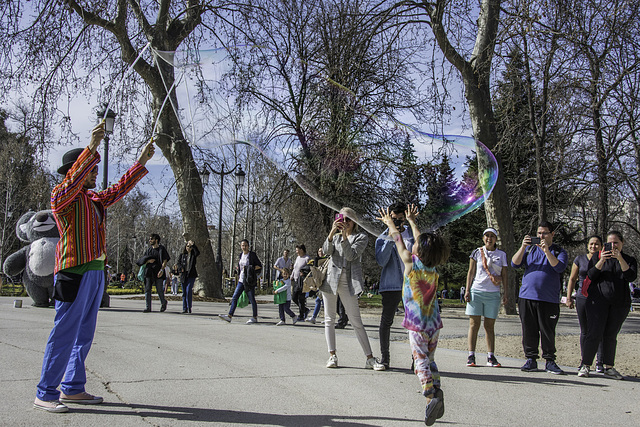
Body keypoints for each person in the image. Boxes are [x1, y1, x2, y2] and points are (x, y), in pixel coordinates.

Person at [34, 122, 152, 413]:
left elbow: (119, 189)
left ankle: (73, 388)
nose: (96, 174)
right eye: (91, 169)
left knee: (84, 333)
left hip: (95, 272)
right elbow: (72, 182)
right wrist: (93, 146)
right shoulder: (61, 197)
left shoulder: (94, 199)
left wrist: (142, 162)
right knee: (64, 332)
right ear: (76, 172)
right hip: (73, 271)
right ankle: (46, 392)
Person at [376, 204, 450, 426]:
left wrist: (391, 225)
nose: (413, 242)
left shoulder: (410, 263)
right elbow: (420, 241)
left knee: (420, 364)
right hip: (434, 325)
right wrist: (412, 222)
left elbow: (399, 241)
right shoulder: (432, 266)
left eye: (416, 243)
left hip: (417, 326)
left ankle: (430, 397)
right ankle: (436, 389)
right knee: (430, 360)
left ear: (418, 250)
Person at [320, 207, 377, 369]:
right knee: (329, 319)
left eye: (348, 220)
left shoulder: (361, 237)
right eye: (341, 219)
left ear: (354, 222)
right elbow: (325, 251)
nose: (344, 222)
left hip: (348, 281)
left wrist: (345, 237)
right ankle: (332, 355)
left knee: (355, 320)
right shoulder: (336, 236)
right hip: (331, 279)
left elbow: (351, 256)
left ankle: (369, 358)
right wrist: (331, 233)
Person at [578, 231, 637, 379]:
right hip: (598, 302)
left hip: (619, 304)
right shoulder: (598, 256)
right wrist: (602, 260)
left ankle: (609, 366)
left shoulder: (629, 259)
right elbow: (590, 275)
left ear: (622, 243)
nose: (613, 246)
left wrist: (620, 259)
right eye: (610, 243)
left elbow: (630, 276)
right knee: (594, 333)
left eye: (616, 243)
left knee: (611, 335)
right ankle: (585, 365)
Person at [511, 221, 568, 374]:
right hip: (527, 297)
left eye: (544, 233)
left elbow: (559, 267)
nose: (541, 236)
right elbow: (514, 263)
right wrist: (523, 247)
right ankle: (531, 359)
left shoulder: (558, 251)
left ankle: (550, 360)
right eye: (539, 233)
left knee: (547, 330)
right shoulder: (529, 250)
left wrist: (546, 251)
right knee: (529, 329)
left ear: (552, 234)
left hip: (548, 299)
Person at [374, 201, 415, 371]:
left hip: (411, 284)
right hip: (391, 285)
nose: (398, 222)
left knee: (414, 323)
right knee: (386, 321)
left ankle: (417, 359)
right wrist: (392, 235)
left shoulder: (412, 235)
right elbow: (381, 261)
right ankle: (385, 359)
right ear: (388, 217)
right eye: (394, 219)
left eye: (400, 219)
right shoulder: (382, 237)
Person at [464, 227, 508, 368]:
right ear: (483, 238)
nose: (489, 238)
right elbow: (471, 272)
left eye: (492, 236)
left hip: (493, 293)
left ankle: (491, 356)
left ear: (496, 239)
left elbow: (505, 275)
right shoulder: (477, 252)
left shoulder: (501, 255)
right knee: (473, 324)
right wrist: (467, 290)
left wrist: (505, 292)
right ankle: (471, 355)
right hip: (476, 291)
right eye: (486, 236)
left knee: (489, 326)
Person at [565, 235, 604, 372]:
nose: (594, 246)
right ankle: (584, 361)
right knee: (585, 330)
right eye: (591, 244)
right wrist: (569, 297)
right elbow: (572, 279)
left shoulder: (604, 259)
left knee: (598, 330)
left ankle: (600, 361)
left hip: (599, 298)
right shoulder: (580, 259)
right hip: (582, 297)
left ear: (601, 246)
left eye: (597, 244)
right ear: (587, 245)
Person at [219, 239, 262, 324]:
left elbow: (259, 266)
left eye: (245, 245)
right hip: (241, 280)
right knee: (235, 297)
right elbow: (240, 267)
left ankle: (254, 317)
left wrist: (250, 268)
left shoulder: (252, 255)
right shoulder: (241, 255)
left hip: (249, 281)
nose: (244, 247)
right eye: (242, 245)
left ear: (248, 246)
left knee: (251, 299)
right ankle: (229, 316)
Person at [137, 233, 170, 313]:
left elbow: (165, 260)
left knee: (159, 289)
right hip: (148, 272)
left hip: (158, 272)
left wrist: (162, 270)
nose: (150, 240)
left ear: (156, 240)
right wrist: (148, 261)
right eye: (150, 239)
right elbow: (143, 260)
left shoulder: (161, 249)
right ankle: (148, 307)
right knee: (147, 289)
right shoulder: (149, 250)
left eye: (151, 239)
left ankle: (163, 302)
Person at [177, 240, 200, 314]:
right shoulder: (182, 255)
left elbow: (197, 253)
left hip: (191, 275)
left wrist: (193, 245)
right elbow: (178, 263)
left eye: (190, 247)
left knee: (188, 290)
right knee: (184, 292)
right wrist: (181, 268)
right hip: (184, 275)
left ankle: (189, 307)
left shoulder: (193, 255)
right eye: (187, 246)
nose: (189, 248)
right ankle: (185, 308)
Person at [307, 247, 328, 324]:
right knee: (320, 301)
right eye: (319, 251)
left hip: (325, 282)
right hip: (319, 282)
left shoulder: (327, 260)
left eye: (322, 251)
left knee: (321, 301)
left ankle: (318, 317)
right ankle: (315, 317)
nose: (320, 252)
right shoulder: (316, 260)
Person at [291, 244, 311, 321]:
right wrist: (292, 275)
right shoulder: (298, 258)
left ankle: (301, 315)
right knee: (294, 297)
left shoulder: (307, 258)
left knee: (300, 298)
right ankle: (305, 310)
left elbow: (310, 268)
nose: (296, 252)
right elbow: (295, 268)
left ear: (301, 250)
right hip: (296, 280)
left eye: (297, 250)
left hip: (303, 281)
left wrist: (304, 273)